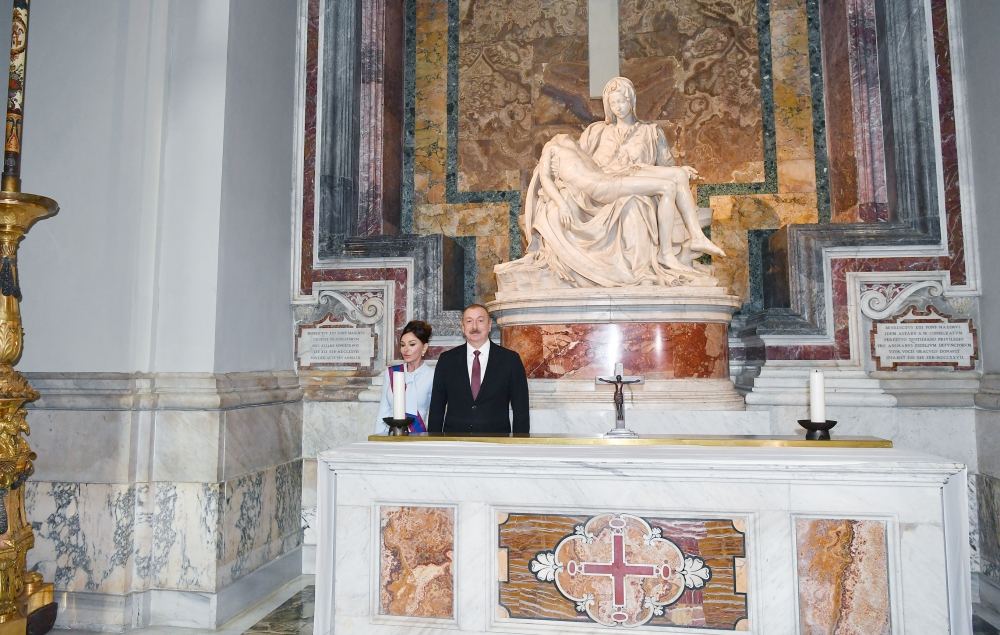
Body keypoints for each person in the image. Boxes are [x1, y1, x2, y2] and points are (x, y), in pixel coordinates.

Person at [427, 304, 529, 434]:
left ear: (489, 325)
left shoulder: (510, 360)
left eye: (480, 321)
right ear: (463, 327)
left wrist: (520, 445)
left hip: (496, 442)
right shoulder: (447, 360)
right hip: (455, 441)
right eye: (469, 321)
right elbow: (437, 407)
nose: (474, 327)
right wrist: (434, 443)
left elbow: (521, 409)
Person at [376, 320, 434, 434]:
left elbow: (432, 415)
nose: (405, 349)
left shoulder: (432, 376)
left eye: (412, 344)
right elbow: (383, 410)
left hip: (420, 438)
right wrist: (377, 439)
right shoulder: (392, 372)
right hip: (392, 436)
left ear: (424, 347)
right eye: (402, 345)